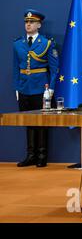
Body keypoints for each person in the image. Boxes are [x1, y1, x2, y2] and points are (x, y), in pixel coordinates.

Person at [13, 9, 59, 167]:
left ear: (39, 25)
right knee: (29, 122)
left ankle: (41, 155)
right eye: (26, 22)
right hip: (24, 88)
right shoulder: (18, 44)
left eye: (31, 22)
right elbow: (15, 68)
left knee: (42, 122)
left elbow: (54, 69)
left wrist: (50, 89)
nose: (28, 24)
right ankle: (30, 154)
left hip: (41, 87)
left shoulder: (46, 43)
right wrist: (17, 88)